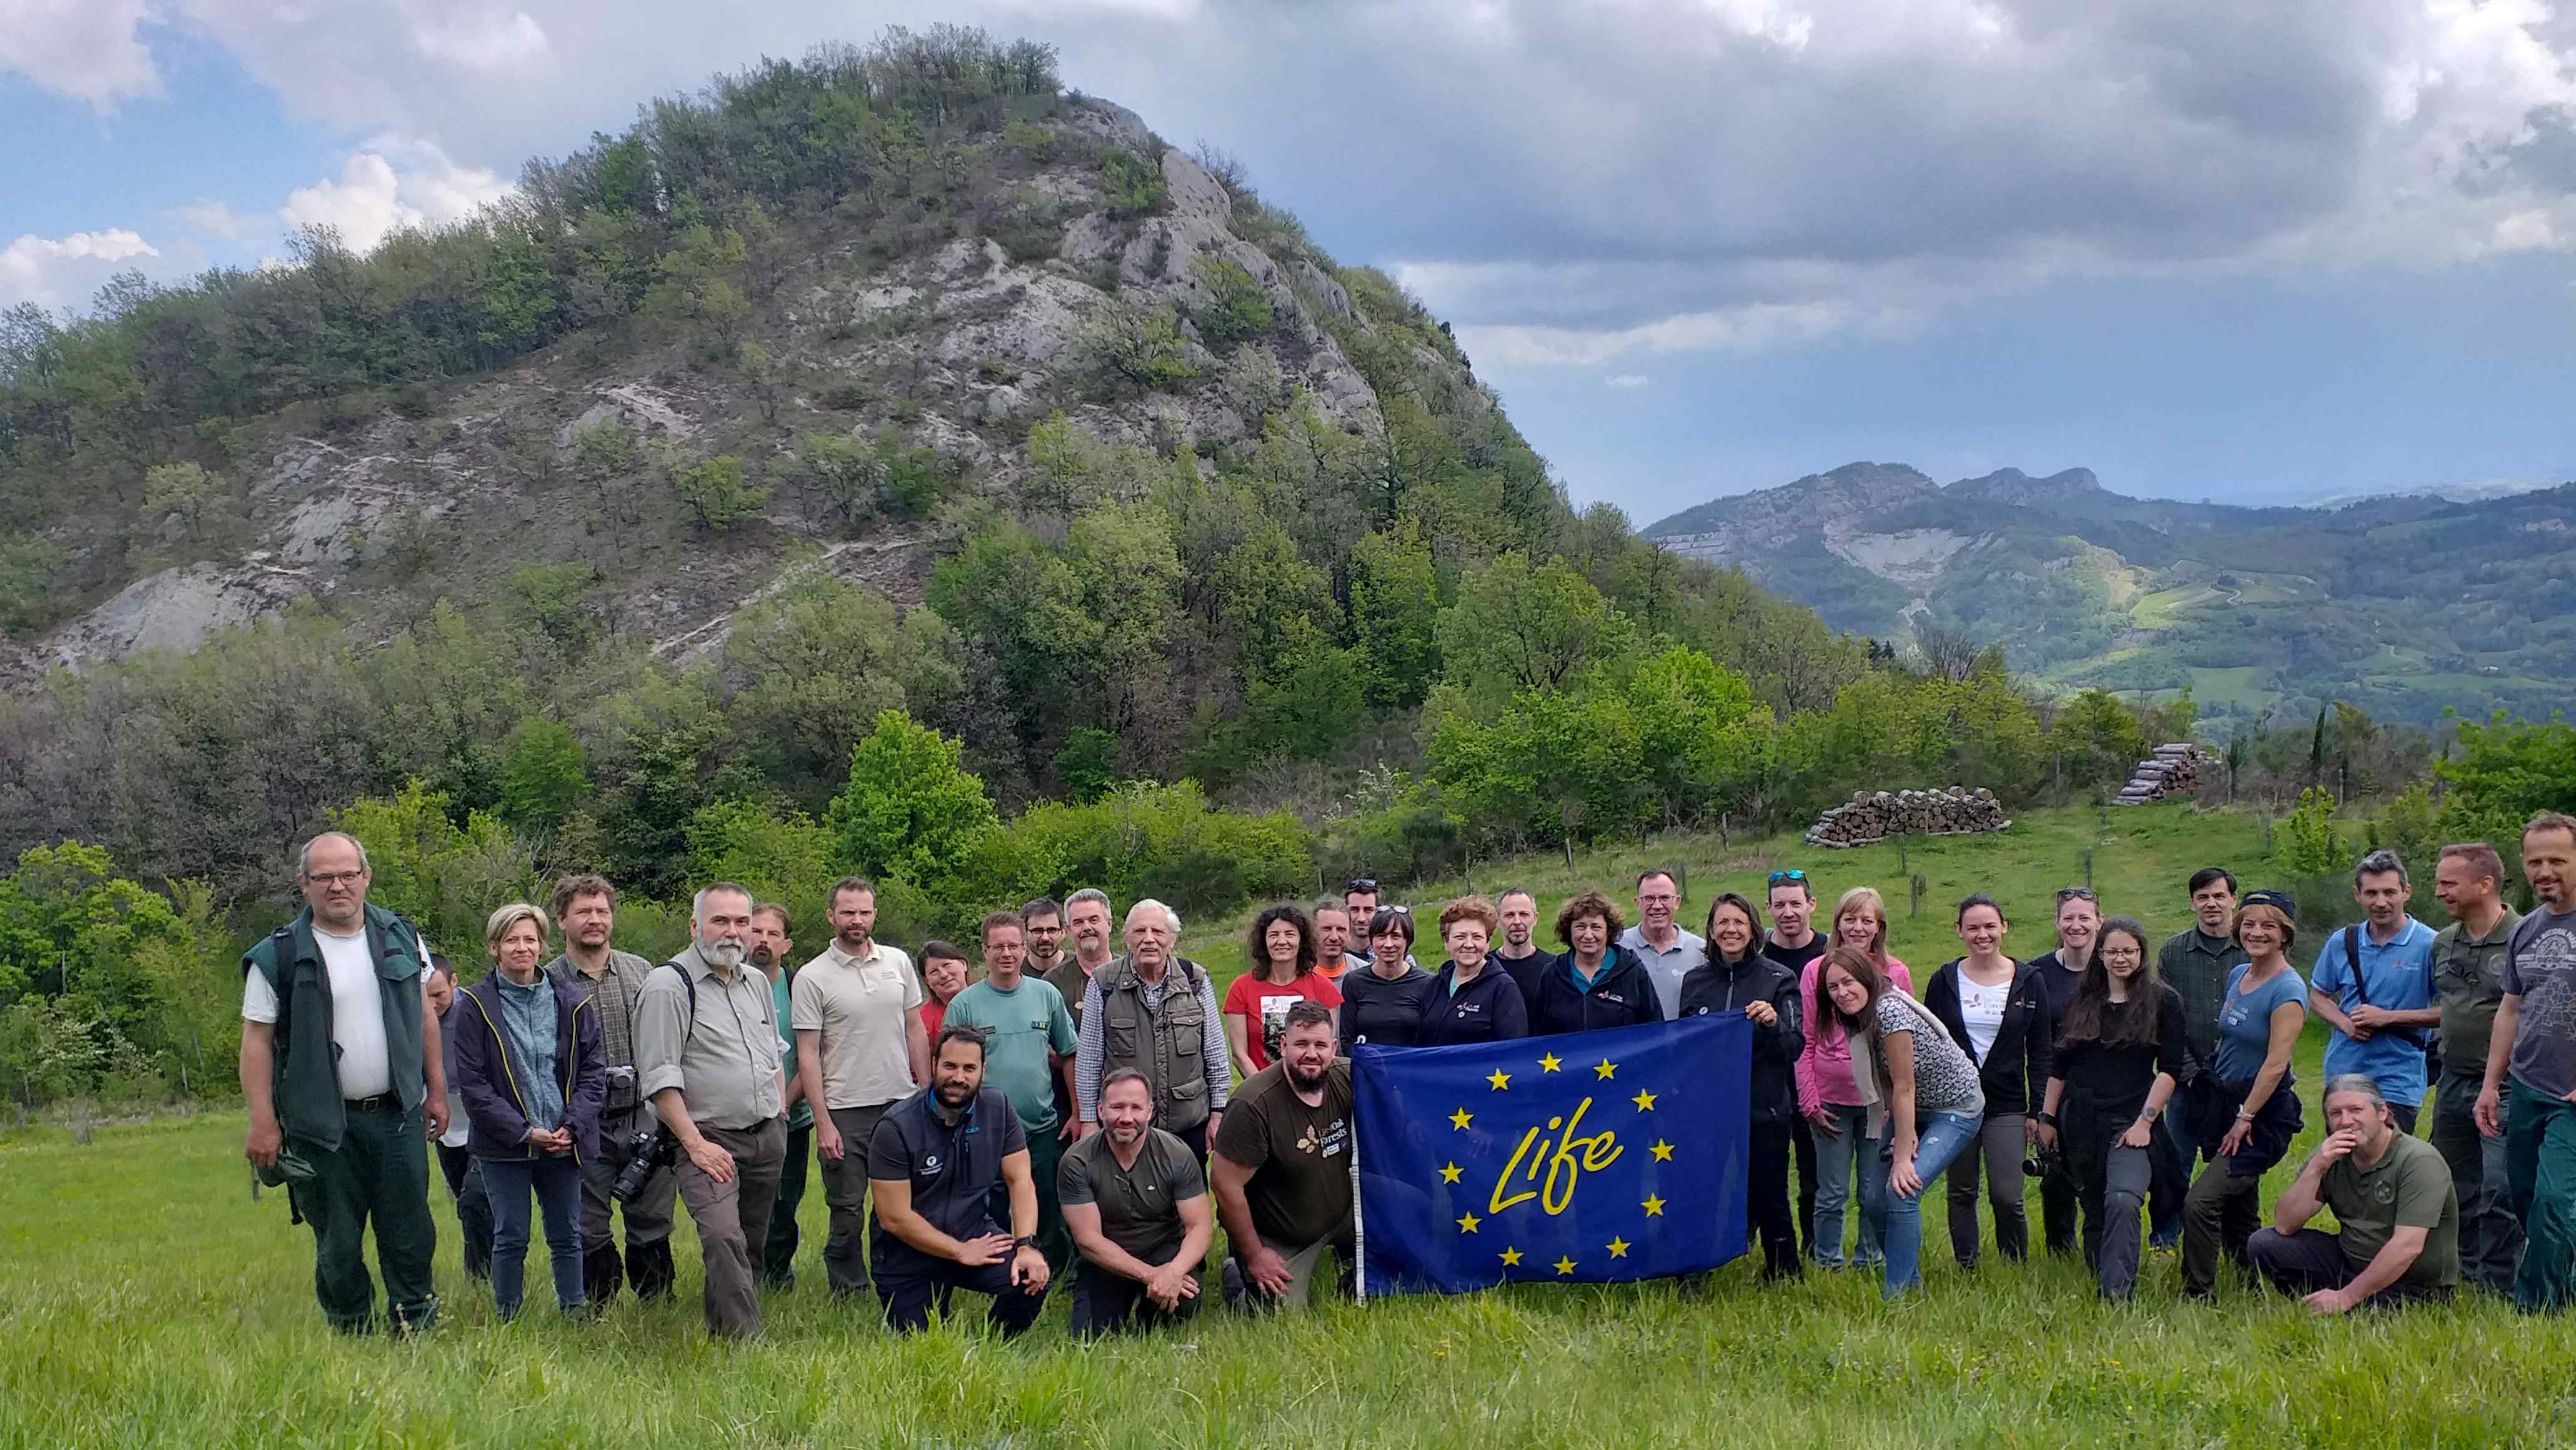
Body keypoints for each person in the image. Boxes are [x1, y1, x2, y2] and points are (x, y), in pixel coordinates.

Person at [238, 831, 447, 1334]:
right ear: (303, 884)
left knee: (410, 1231)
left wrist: (436, 1088)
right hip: (320, 1127)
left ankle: (415, 1323)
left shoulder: (400, 935)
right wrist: (264, 1123)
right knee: (338, 1239)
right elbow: (256, 1042)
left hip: (397, 1115)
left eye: (348, 874)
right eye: (324, 876)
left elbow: (424, 1015)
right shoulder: (277, 956)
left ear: (366, 877)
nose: (338, 885)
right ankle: (351, 1327)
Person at [634, 882, 789, 1339]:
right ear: (695, 925)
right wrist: (696, 1145)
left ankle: (723, 1329)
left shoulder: (755, 981)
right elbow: (658, 1077)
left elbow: (773, 1053)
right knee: (723, 1236)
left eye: (742, 921)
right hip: (706, 1138)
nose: (733, 932)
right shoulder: (669, 985)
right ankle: (747, 1344)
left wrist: (778, 1115)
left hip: (765, 1134)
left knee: (749, 1242)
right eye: (720, 920)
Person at [452, 903, 606, 1321]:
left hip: (563, 1138)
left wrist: (572, 1126)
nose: (522, 947)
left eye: (530, 939)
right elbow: (474, 1084)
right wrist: (523, 1131)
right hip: (506, 1144)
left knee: (567, 1234)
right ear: (494, 947)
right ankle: (509, 1316)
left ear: (542, 945)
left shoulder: (572, 1001)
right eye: (511, 940)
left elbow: (594, 1072)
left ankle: (574, 1311)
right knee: (511, 1234)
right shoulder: (475, 1005)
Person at [791, 875, 931, 1302]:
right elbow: (808, 1052)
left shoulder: (898, 962)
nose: (857, 919)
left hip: (900, 1103)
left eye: (864, 911)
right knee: (847, 1208)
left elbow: (914, 1029)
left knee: (897, 1206)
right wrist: (823, 1121)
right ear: (831, 914)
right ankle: (849, 1287)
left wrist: (925, 1091)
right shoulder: (813, 976)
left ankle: (896, 1278)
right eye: (848, 911)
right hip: (845, 1109)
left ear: (875, 914)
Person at [2034, 916, 2188, 1300]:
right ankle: (2102, 1275)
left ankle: (2116, 1297)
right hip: (2080, 1120)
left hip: (2131, 1121)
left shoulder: (2163, 1001)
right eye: (2113, 951)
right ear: (2100, 954)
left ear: (2142, 954)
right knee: (2095, 1205)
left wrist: (2145, 1123)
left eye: (2129, 951)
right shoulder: (2079, 1002)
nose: (2121, 958)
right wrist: (2047, 1119)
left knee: (2123, 1198)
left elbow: (2169, 1071)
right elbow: (2059, 1067)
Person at [867, 1025, 1051, 1336]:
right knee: (916, 1342)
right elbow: (894, 1218)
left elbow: (1020, 1181)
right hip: (908, 1251)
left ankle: (993, 1346)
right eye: (950, 1066)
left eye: (969, 1068)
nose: (958, 1078)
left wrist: (1026, 1246)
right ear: (934, 1063)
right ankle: (900, 1318)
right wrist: (958, 1251)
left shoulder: (998, 1109)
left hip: (974, 1232)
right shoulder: (895, 1127)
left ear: (983, 1070)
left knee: (1030, 1278)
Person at [1820, 946, 1983, 1296]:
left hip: (1956, 1106)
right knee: (1874, 1198)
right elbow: (1887, 1081)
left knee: (1902, 1190)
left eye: (1848, 982)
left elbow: (1905, 1085)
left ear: (1865, 977)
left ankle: (1896, 1296)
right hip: (1911, 1105)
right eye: (1833, 988)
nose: (1842, 993)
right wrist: (1899, 1131)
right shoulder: (1855, 1016)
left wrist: (1903, 1153)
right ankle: (1909, 1280)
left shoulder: (1891, 1011)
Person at [544, 873, 674, 1304]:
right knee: (587, 1223)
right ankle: (596, 1307)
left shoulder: (644, 972)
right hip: (582, 1123)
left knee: (652, 1216)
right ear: (562, 920)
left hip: (643, 1114)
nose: (595, 920)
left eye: (602, 911)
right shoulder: (546, 983)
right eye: (583, 911)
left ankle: (656, 1303)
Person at [2179, 889, 2306, 1298]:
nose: (2256, 932)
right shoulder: (2240, 975)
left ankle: (2198, 1292)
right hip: (2224, 1098)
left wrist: (2245, 1116)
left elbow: (2275, 1063)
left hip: (2260, 1112)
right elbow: (2229, 1038)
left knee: (2201, 1202)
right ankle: (2255, 1285)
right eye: (2249, 923)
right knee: (2239, 1206)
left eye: (2268, 925)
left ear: (2285, 933)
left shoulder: (2288, 989)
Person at [941, 911, 1081, 1273]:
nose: (1007, 953)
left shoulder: (1046, 994)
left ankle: (1056, 1270)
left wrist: (1079, 1113)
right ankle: (1001, 1273)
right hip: (982, 1129)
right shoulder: (965, 1004)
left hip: (1041, 1126)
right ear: (984, 951)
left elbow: (1069, 1054)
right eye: (998, 946)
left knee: (1046, 1201)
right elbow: (950, 1069)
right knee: (991, 1207)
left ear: (1024, 948)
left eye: (1013, 946)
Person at [2475, 813, 2576, 1312]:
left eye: (2558, 859)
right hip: (2527, 1085)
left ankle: (2538, 1311)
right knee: (2524, 1195)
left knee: (2555, 1202)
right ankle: (2566, 1282)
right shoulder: (2526, 930)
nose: (2545, 870)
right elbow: (2510, 1008)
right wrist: (2492, 1084)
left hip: (2572, 1095)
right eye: (2536, 860)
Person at [2251, 1075, 2460, 1311]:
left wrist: (2348, 1297)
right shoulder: (2331, 1155)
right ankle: (2340, 1300)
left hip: (2413, 1281)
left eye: (2356, 1110)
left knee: (2372, 1305)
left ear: (2382, 1113)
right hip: (2352, 1263)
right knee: (2265, 1243)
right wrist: (2316, 1168)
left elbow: (2408, 1246)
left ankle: (2352, 1302)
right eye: (2336, 1114)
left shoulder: (2419, 1160)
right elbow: (2285, 1225)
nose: (2346, 1121)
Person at [1678, 891, 1801, 1279]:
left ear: (1753, 931)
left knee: (1770, 1194)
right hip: (1708, 1110)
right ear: (1711, 932)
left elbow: (1794, 1046)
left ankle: (1783, 1272)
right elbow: (1685, 1046)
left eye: (1739, 923)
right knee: (1704, 1191)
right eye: (1722, 923)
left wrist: (1771, 1023)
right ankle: (1696, 1269)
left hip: (1764, 1107)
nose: (1730, 930)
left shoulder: (1779, 978)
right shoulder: (1695, 981)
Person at [1923, 894, 2051, 1268]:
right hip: (1954, 1104)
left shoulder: (2029, 981)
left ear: (2004, 928)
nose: (1983, 935)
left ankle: (2014, 1264)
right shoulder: (1944, 980)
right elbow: (1929, 1045)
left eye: (1990, 926)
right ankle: (1968, 1265)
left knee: (2007, 1195)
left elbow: (2040, 1051)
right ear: (1959, 931)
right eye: (1973, 927)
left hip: (2007, 1104)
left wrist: (2038, 1111)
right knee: (1961, 1190)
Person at [1793, 885, 1912, 1270]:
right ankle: (1828, 1261)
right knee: (1830, 1191)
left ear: (1879, 926)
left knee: (1872, 1190)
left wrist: (1900, 1104)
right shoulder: (1816, 970)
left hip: (1879, 1103)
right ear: (1838, 924)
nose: (1858, 928)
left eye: (1867, 920)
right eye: (1850, 919)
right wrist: (1809, 1099)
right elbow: (1806, 1039)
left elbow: (1908, 1044)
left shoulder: (1896, 973)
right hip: (1830, 1100)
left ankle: (1869, 1257)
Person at [2425, 842, 2524, 1293]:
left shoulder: (2525, 937)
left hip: (2507, 1086)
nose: (2439, 890)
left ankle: (2499, 1281)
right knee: (2451, 1182)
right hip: (2453, 1080)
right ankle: (2462, 1272)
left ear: (2485, 884)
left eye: (2450, 882)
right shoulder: (2443, 942)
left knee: (2499, 1188)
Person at [1213, 1001, 1354, 1308]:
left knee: (1413, 1211)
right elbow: (1225, 1184)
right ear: (1284, 1044)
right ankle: (1237, 1275)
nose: (1312, 1054)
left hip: (1342, 1215)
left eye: (1320, 1045)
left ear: (1333, 1048)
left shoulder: (1347, 1077)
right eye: (1301, 1044)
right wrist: (1254, 1254)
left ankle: (1355, 1265)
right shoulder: (1253, 1104)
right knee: (1277, 1314)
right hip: (1279, 1234)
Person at [1059, 1069, 1214, 1337]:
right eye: (1117, 1107)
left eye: (1136, 1108)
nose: (1127, 1118)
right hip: (1107, 1259)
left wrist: (1174, 1272)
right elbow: (1088, 1239)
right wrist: (1153, 1276)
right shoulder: (1077, 1162)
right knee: (1090, 1335)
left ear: (1150, 1111)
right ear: (1100, 1110)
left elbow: (1200, 1226)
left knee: (1180, 1307)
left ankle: (1150, 1312)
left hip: (1165, 1252)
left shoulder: (1176, 1153)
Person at [1075, 900, 1229, 1159]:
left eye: (1158, 932)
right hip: (1125, 1127)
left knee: (1188, 1198)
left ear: (1173, 939)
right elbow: (1089, 1060)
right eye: (1139, 932)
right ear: (1126, 939)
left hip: (1188, 1126)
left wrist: (1218, 1113)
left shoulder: (1195, 980)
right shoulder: (1104, 983)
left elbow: (1215, 1055)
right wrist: (1090, 1121)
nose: (1149, 940)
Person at [2308, 849, 2439, 1133]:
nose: (2381, 902)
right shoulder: (2343, 941)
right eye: (2372, 893)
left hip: (2398, 1077)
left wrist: (2388, 1018)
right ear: (2358, 895)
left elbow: (2451, 1011)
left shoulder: (2430, 945)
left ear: (2407, 892)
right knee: (2344, 1161)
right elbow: (2318, 996)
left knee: (2388, 1162)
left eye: (2390, 892)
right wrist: (2345, 1024)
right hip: (2345, 1073)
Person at [2028, 886, 2102, 1255]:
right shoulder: (2036, 973)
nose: (2077, 925)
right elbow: (2032, 1045)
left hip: (2100, 1091)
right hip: (2052, 1091)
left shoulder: (2113, 969)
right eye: (2069, 918)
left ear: (2099, 922)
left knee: (2095, 1175)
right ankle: (2060, 1251)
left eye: (2084, 917)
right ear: (2057, 922)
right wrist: (2036, 1109)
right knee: (2054, 1177)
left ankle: (2098, 1246)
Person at [750, 903, 811, 1290]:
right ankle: (744, 1274)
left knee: (785, 1201)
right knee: (744, 1203)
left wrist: (783, 1104)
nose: (763, 941)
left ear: (786, 944)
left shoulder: (797, 987)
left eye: (773, 934)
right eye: (756, 931)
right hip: (739, 1119)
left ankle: (778, 1273)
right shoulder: (725, 984)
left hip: (792, 1117)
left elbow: (813, 1054)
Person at [425, 959, 492, 1283]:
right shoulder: (412, 1016)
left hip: (483, 1120)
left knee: (474, 1198)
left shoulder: (478, 1013)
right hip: (445, 1123)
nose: (432, 1004)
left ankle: (481, 1277)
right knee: (465, 1202)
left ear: (454, 982)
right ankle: (487, 1268)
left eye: (438, 994)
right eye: (425, 997)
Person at [1222, 904, 1344, 1080]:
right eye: (1274, 935)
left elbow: (1325, 1050)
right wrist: (1263, 1090)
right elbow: (1240, 1055)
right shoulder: (1241, 988)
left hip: (1308, 1085)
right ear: (1264, 942)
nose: (1282, 941)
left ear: (1301, 941)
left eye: (1290, 934)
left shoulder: (1323, 988)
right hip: (1261, 1090)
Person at [1530, 890, 1663, 1035]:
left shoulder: (1633, 971)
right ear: (1569, 931)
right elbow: (1539, 1035)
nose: (1588, 935)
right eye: (1580, 927)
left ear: (1609, 931)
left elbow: (1655, 1030)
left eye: (1596, 927)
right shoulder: (1552, 974)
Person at [1419, 895, 1529, 1046]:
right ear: (1446, 942)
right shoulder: (1435, 985)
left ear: (1488, 942)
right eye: (1460, 937)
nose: (1469, 944)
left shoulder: (1503, 989)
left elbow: (1513, 1050)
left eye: (1477, 937)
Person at [1338, 906, 1434, 1047]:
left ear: (1407, 940)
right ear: (1372, 940)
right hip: (1368, 1066)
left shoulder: (1428, 983)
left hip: (1411, 1066)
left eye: (1396, 936)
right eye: (1381, 936)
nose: (1388, 944)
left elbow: (1432, 1039)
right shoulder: (1354, 982)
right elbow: (1347, 1041)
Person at [1621, 868, 1707, 1020]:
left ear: (1677, 902)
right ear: (1637, 903)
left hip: (1682, 1043)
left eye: (1665, 898)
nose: (1657, 906)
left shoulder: (1701, 951)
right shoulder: (1618, 948)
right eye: (1649, 898)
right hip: (1635, 1042)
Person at [1047, 889, 1118, 1028]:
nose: (1087, 927)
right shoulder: (1053, 983)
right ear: (1068, 930)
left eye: (1094, 920)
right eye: (1078, 922)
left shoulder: (1132, 974)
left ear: (1109, 924)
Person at [1493, 887, 1556, 1005]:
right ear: (1498, 920)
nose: (1517, 922)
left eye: (1524, 914)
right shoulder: (1486, 967)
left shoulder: (1554, 968)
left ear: (1535, 919)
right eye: (1509, 915)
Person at [919, 940, 971, 1045]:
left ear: (963, 964)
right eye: (934, 972)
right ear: (927, 981)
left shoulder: (990, 1000)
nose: (943, 975)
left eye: (947, 965)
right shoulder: (923, 1022)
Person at [1309, 900, 1360, 985]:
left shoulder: (1363, 973)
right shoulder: (1298, 973)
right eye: (1327, 929)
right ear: (1313, 931)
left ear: (1350, 933)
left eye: (1341, 930)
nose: (1334, 937)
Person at [1021, 896, 1068, 981]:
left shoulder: (1080, 968)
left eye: (1052, 930)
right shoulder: (1015, 974)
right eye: (1037, 931)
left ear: (1063, 932)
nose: (1045, 938)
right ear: (1024, 933)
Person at [1344, 878, 1383, 960]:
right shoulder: (1333, 956)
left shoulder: (1391, 956)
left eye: (1368, 910)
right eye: (1354, 910)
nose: (1361, 919)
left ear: (1378, 911)